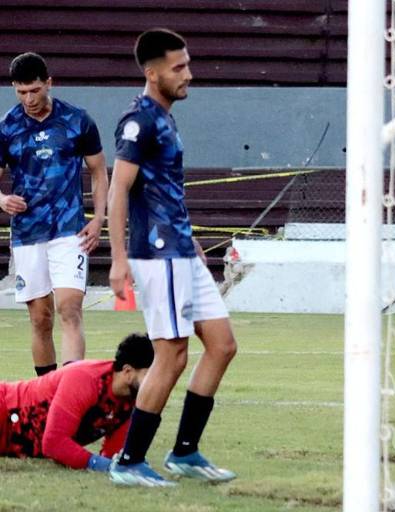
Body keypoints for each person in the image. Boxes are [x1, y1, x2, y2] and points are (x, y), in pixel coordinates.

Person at [107, 28, 237, 487]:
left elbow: (164, 190)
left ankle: (185, 452)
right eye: (178, 67)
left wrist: (191, 238)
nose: (188, 74)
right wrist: (118, 257)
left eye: (188, 64)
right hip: (157, 255)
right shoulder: (138, 121)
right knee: (172, 355)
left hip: (182, 250)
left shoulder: (165, 118)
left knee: (222, 345)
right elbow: (118, 189)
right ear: (152, 73)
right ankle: (129, 461)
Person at [0, 52, 109, 376]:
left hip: (69, 229)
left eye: (34, 90)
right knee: (40, 318)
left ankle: (70, 390)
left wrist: (98, 218)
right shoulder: (7, 127)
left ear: (49, 83)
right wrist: (2, 199)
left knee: (70, 309)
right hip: (28, 232)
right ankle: (47, 393)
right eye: (21, 92)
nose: (29, 99)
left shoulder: (77, 120)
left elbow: (98, 170)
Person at [0, 333, 153, 471]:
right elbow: (53, 443)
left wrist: (116, 464)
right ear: (127, 371)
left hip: (12, 443)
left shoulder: (131, 400)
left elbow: (114, 455)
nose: (157, 382)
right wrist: (97, 463)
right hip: (5, 409)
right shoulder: (86, 379)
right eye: (151, 374)